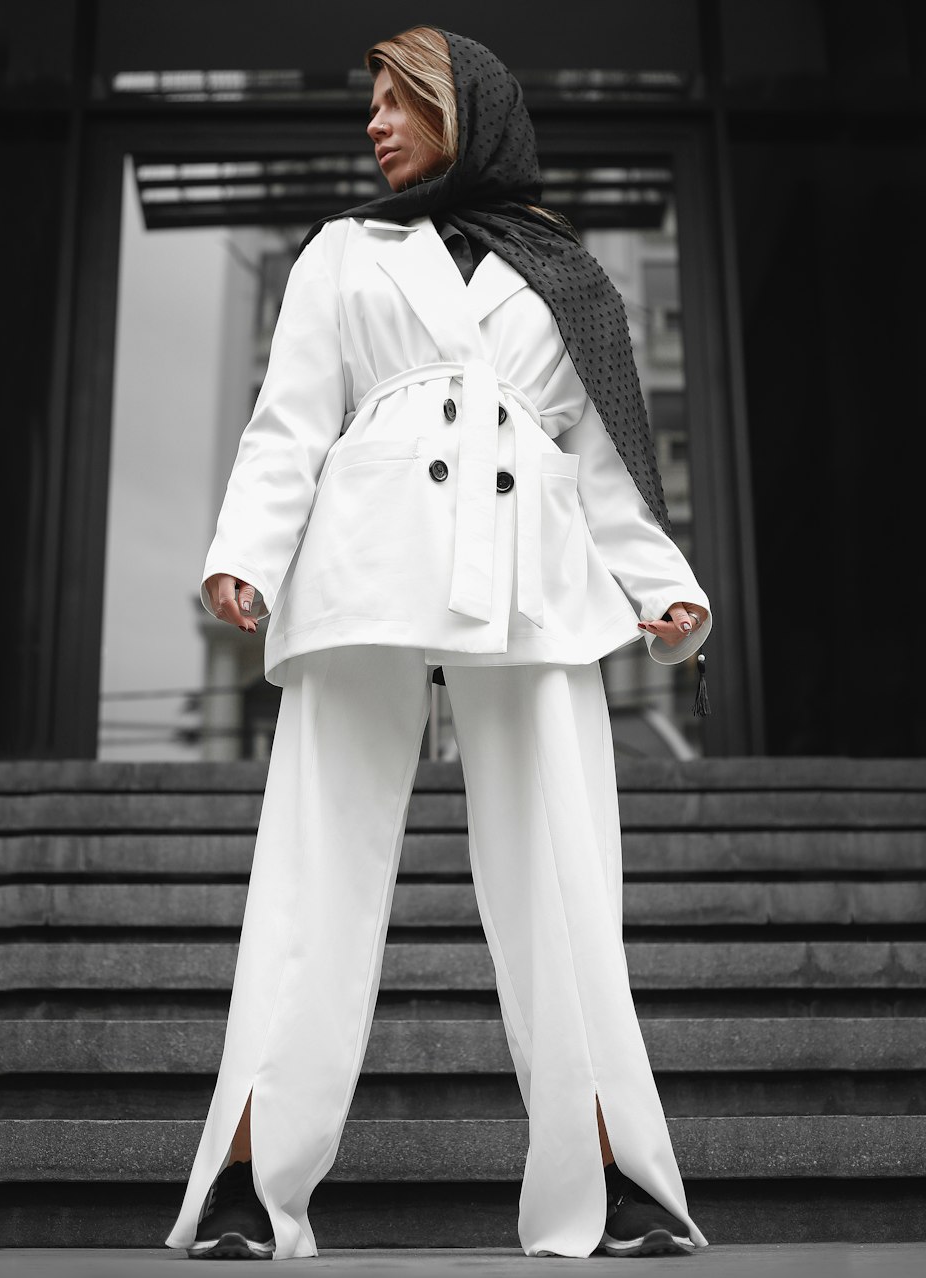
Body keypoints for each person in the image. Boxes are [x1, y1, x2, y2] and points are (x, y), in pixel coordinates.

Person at [164, 25, 712, 1263]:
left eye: (397, 98)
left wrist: (658, 584)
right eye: (369, 100)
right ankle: (251, 1181)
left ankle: (615, 1178)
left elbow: (601, 455)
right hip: (364, 562)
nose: (371, 121)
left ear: (470, 111)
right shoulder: (342, 251)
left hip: (533, 577)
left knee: (568, 884)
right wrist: (243, 547)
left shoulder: (569, 269)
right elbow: (287, 419)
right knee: (312, 876)